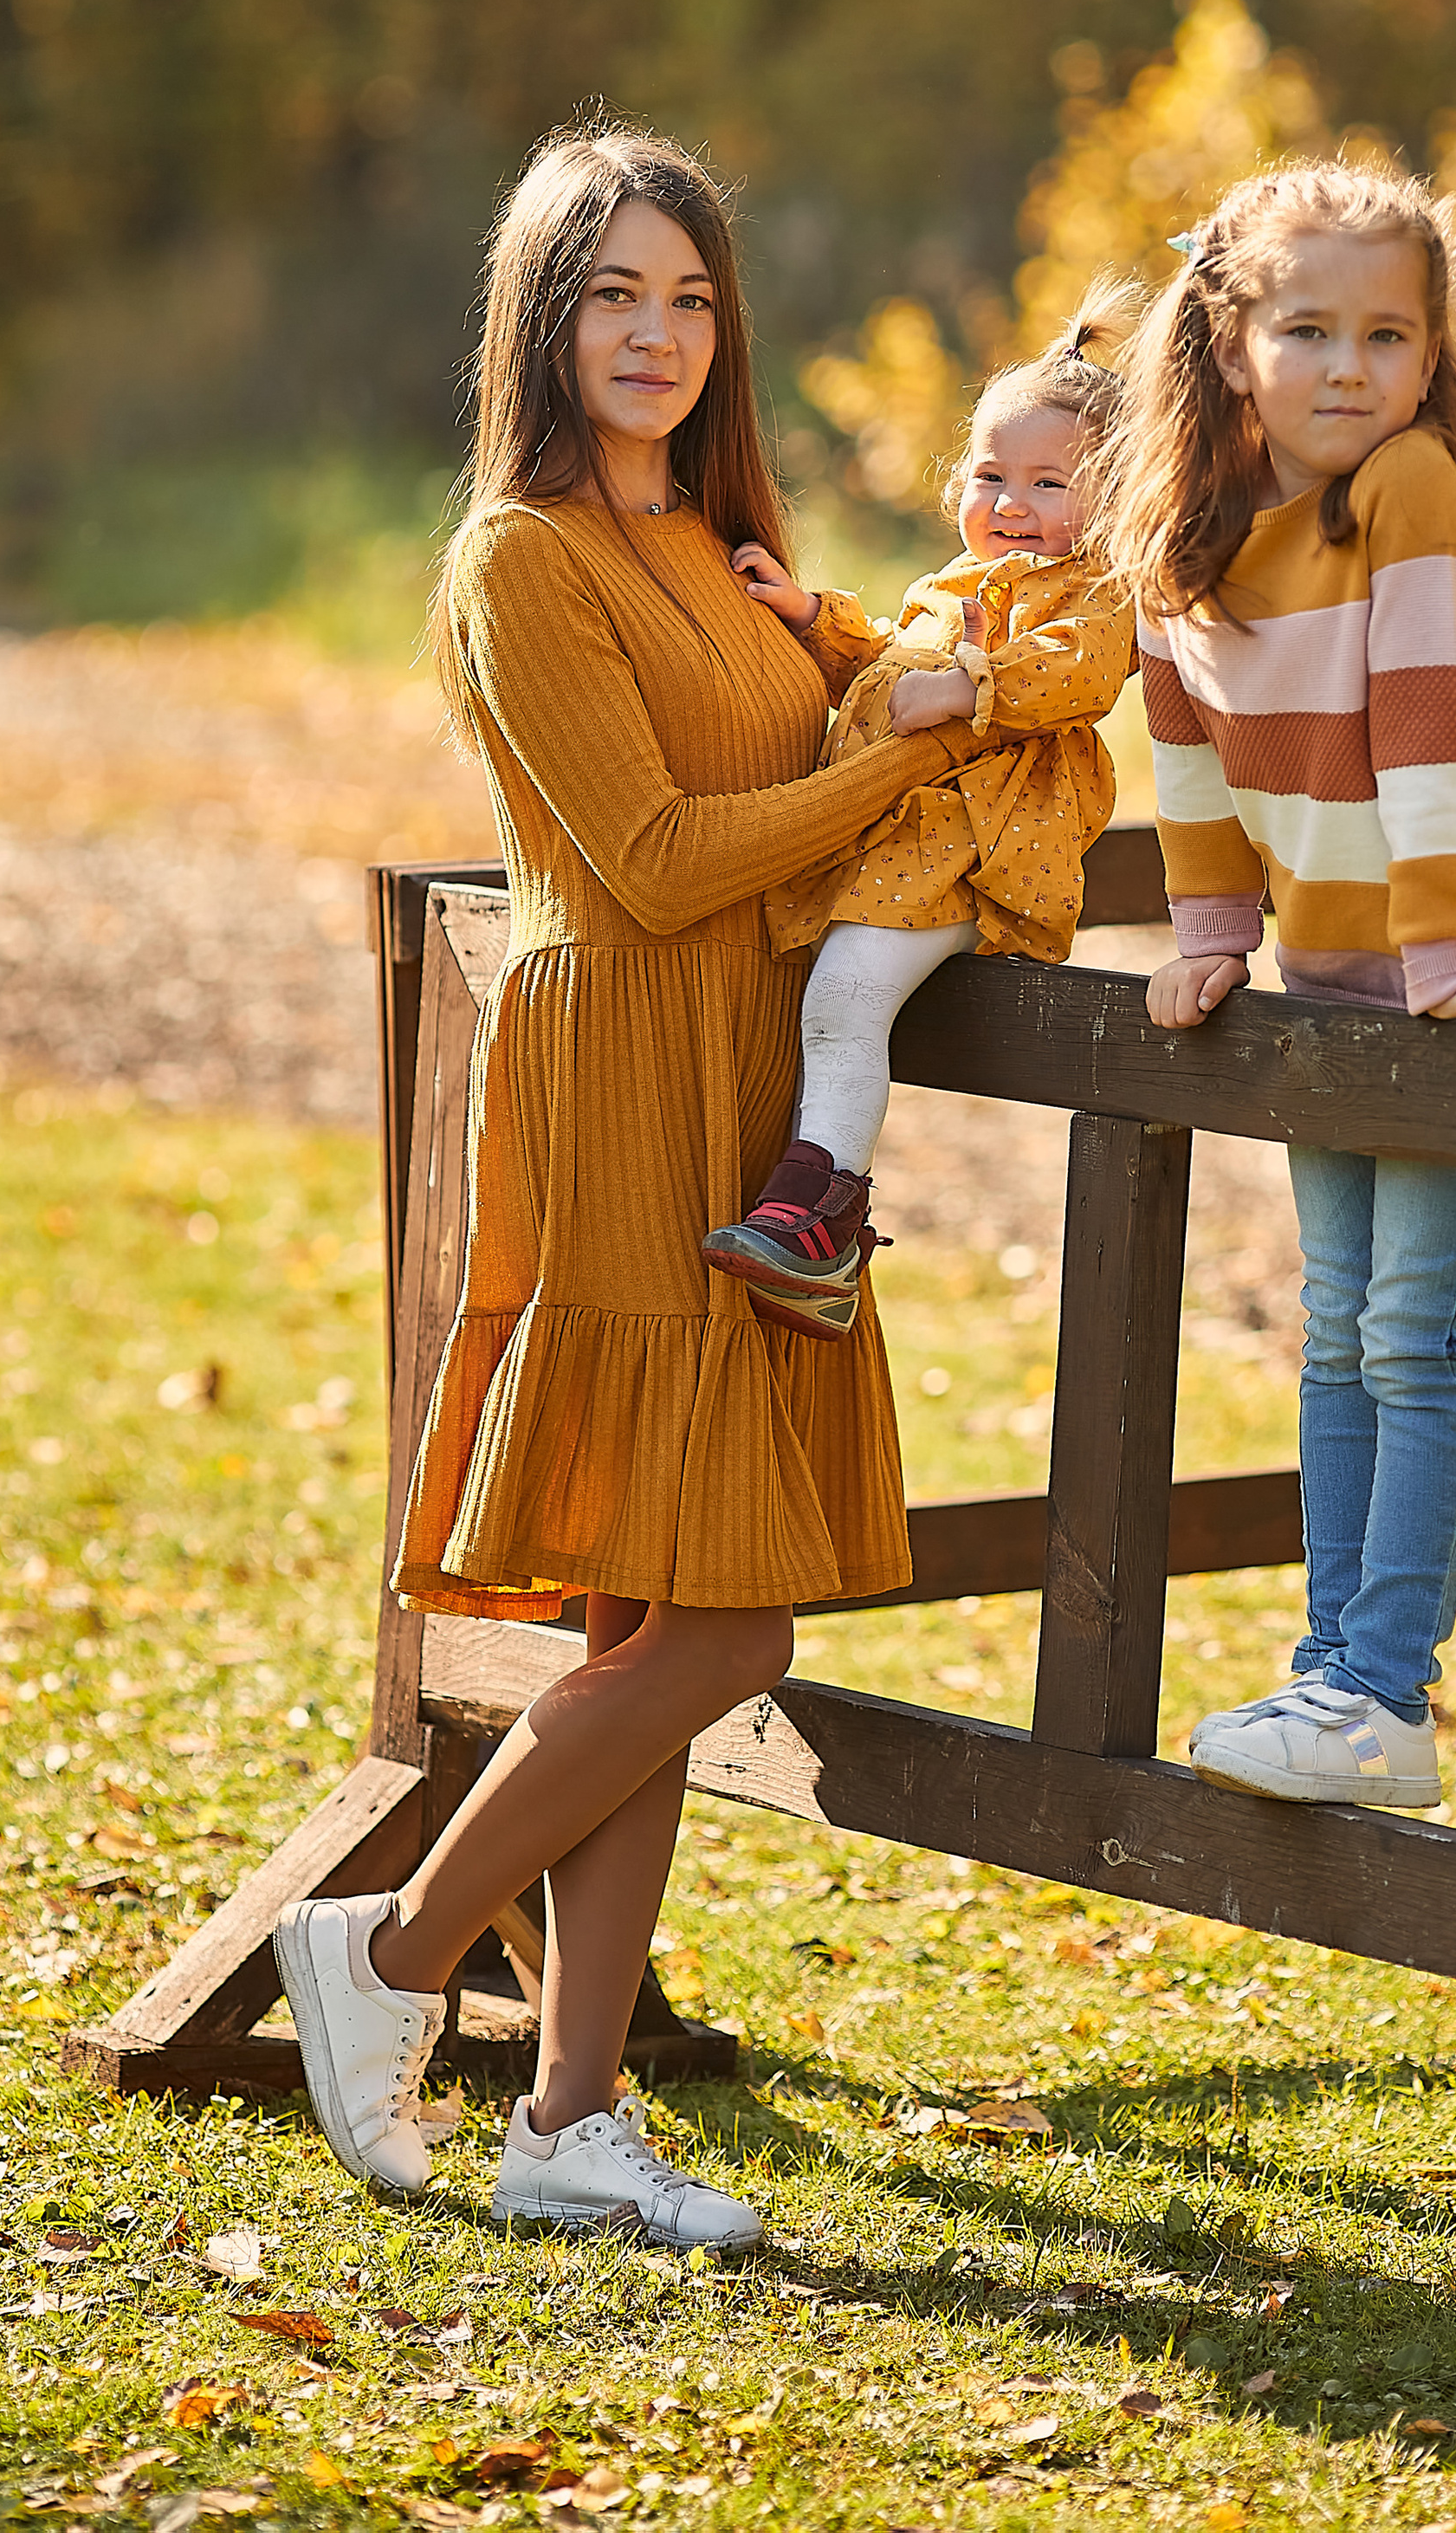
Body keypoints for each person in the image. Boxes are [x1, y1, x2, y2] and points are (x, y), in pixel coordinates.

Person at [273, 126, 989, 2245]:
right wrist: (902, 765)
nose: (658, 335)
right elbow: (658, 854)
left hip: (746, 1092)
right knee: (726, 1611)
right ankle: (392, 1951)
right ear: (541, 319)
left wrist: (917, 696)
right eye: (614, 296)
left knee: (648, 1612)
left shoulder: (724, 536)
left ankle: (568, 2115)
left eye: (689, 297)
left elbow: (808, 746)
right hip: (614, 1081)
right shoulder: (521, 562)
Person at [1106, 160, 1456, 1811]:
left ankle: (1385, 1686)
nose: (1349, 368)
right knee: (1334, 1330)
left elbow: (1439, 728)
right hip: (1330, 969)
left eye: (1389, 334)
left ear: (1433, 353)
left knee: (1423, 1332)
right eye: (1308, 328)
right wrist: (1213, 938)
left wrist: (1450, 959)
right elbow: (1187, 763)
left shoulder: (1414, 491)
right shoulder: (1190, 533)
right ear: (1231, 342)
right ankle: (1334, 1679)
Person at [702, 308, 1135, 1331]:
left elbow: (1082, 674)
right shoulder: (949, 587)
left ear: (1109, 501)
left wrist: (970, 686)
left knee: (846, 992)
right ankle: (814, 1223)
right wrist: (812, 619)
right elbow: (891, 667)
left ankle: (824, 1219)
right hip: (907, 844)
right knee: (828, 995)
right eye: (992, 476)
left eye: (1049, 483)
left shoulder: (1093, 590)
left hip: (979, 847)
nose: (1013, 505)